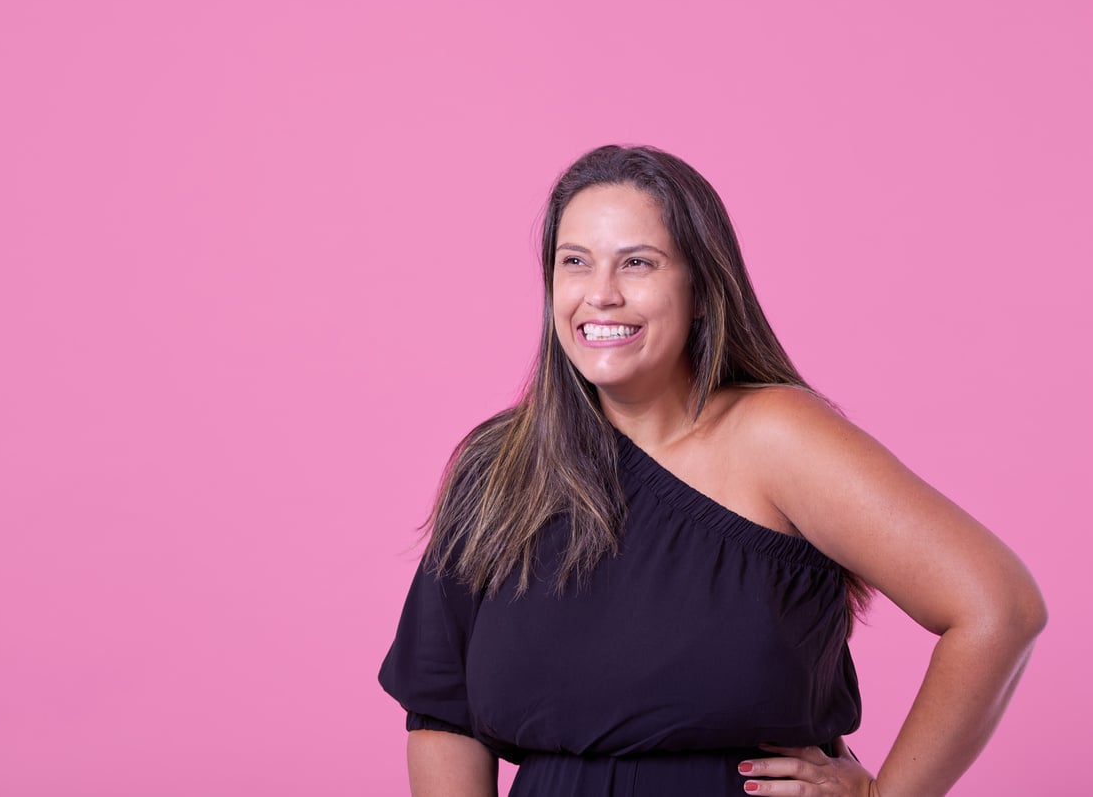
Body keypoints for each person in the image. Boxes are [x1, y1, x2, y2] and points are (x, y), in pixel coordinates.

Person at [378, 145, 1045, 797]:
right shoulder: (497, 468)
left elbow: (999, 608)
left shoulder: (778, 437)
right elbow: (445, 713)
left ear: (700, 289)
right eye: (574, 262)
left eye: (637, 263)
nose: (600, 294)